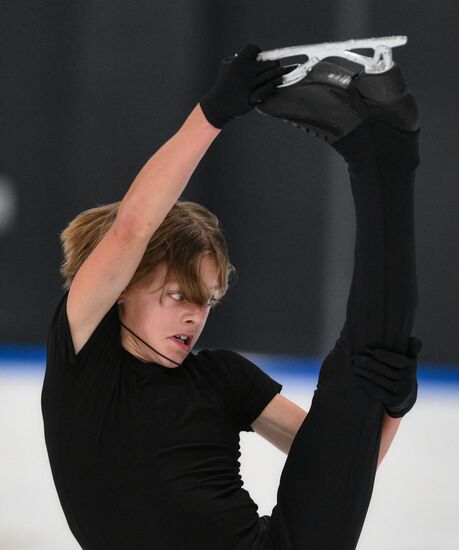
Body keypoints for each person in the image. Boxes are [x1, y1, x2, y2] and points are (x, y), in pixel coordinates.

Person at [41, 43, 422, 550]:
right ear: (124, 288)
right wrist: (212, 113)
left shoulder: (222, 378)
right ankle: (381, 154)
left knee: (370, 369)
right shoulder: (85, 359)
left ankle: (382, 156)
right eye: (179, 295)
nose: (195, 317)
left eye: (207, 301)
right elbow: (132, 228)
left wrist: (392, 408)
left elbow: (344, 468)